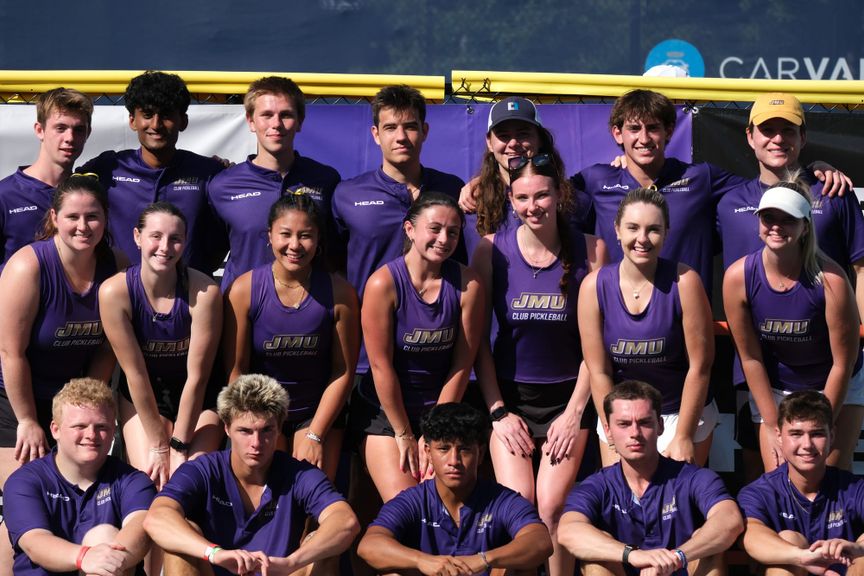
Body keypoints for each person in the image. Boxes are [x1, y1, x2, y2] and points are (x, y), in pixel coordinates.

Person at [716, 93, 864, 480]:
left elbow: (861, 269)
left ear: (803, 136)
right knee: (770, 478)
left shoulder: (833, 193)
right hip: (767, 372)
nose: (777, 139)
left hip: (833, 364)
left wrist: (856, 333)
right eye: (768, 130)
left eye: (787, 130)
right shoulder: (727, 197)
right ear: (749, 137)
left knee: (831, 478)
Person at [571, 88, 849, 294]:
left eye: (653, 128)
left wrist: (814, 170)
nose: (644, 138)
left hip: (685, 321)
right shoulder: (596, 180)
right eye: (634, 129)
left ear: (669, 131)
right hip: (616, 319)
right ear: (617, 134)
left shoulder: (700, 177)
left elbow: (768, 185)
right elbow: (547, 194)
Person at [471, 154, 606, 576]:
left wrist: (574, 414)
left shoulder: (590, 249)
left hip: (569, 400)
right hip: (511, 401)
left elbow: (596, 344)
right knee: (517, 508)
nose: (534, 206)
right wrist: (497, 412)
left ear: (559, 194)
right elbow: (477, 344)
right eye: (523, 197)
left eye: (543, 194)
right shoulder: (490, 249)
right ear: (510, 200)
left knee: (550, 507)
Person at [0, 174, 121, 575]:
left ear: (106, 219)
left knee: (83, 510)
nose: (83, 226)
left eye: (93, 216)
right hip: (17, 400)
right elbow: (10, 352)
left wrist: (89, 406)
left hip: (75, 401)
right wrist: (28, 421)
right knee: (21, 510)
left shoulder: (116, 266)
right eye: (72, 216)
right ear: (54, 217)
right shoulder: (27, 266)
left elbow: (107, 347)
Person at [143, 373, 360, 576]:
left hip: (277, 571)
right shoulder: (203, 469)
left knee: (323, 545)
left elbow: (346, 522)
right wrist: (215, 553)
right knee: (182, 537)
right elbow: (156, 518)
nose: (256, 443)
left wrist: (292, 562)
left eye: (266, 430)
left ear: (279, 428)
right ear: (226, 428)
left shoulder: (299, 474)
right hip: (216, 568)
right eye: (245, 431)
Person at [351, 192, 483, 501]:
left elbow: (462, 365)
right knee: (410, 505)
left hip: (441, 409)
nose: (443, 238)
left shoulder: (469, 285)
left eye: (453, 231)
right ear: (410, 230)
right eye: (434, 228)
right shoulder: (382, 284)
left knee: (441, 500)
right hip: (386, 413)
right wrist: (404, 434)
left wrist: (434, 434)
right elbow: (381, 366)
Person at [331, 85, 466, 377]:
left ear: (425, 131)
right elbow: (332, 267)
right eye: (390, 127)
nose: (401, 137)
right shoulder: (346, 194)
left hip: (437, 354)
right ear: (376, 134)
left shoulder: (453, 189)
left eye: (410, 127)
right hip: (365, 358)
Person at [224, 193, 359, 480]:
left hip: (316, 412)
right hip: (260, 411)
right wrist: (256, 425)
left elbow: (343, 371)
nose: (295, 245)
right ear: (270, 236)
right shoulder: (244, 290)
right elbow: (237, 370)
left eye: (306, 235)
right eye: (285, 234)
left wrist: (315, 434)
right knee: (268, 489)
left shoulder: (340, 293)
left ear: (319, 239)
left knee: (310, 487)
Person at [578, 187, 715, 466]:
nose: (642, 239)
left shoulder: (686, 281)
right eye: (632, 228)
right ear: (617, 230)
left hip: (680, 414)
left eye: (653, 229)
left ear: (666, 233)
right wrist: (613, 430)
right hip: (622, 417)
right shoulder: (594, 286)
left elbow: (700, 367)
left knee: (676, 506)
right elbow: (599, 371)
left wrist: (684, 435)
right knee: (624, 506)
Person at [558, 380, 743, 576]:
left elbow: (729, 520)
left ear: (660, 426)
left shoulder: (693, 477)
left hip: (679, 569)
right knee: (596, 557)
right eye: (624, 424)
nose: (635, 433)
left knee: (709, 549)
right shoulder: (597, 485)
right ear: (608, 432)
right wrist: (633, 555)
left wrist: (677, 557)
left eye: (645, 422)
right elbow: (568, 530)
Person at [99, 202, 223, 491]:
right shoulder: (114, 292)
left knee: (189, 481)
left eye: (175, 239)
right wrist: (158, 444)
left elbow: (198, 376)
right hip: (144, 392)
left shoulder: (204, 292)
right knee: (150, 479)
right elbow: (135, 374)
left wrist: (178, 444)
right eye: (155, 236)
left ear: (185, 242)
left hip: (197, 397)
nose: (164, 247)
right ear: (137, 237)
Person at [358, 402, 553, 576]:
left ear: (481, 452)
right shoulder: (414, 500)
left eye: (464, 449)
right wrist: (421, 560)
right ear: (428, 452)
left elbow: (541, 542)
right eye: (444, 449)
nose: (454, 461)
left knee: (524, 568)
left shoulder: (501, 499)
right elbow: (369, 545)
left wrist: (484, 559)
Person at [3, 378, 155, 576]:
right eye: (80, 426)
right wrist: (84, 557)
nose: (91, 435)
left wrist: (104, 560)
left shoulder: (133, 480)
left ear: (113, 432)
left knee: (105, 536)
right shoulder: (25, 481)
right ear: (55, 430)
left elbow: (139, 528)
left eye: (101, 427)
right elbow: (35, 542)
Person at [79, 71, 226, 274]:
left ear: (183, 121)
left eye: (166, 116)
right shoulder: (107, 167)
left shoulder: (209, 173)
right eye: (147, 115)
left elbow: (223, 239)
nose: (156, 125)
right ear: (132, 120)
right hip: (120, 295)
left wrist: (194, 274)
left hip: (188, 299)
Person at [207, 76, 341, 288]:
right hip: (243, 311)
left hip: (310, 307)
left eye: (286, 115)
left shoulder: (326, 180)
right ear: (251, 121)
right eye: (267, 115)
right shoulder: (222, 186)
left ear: (300, 121)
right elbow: (208, 256)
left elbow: (336, 253)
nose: (276, 124)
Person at [739, 390, 864, 575]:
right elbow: (751, 534)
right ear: (779, 436)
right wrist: (802, 556)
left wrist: (856, 548)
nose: (807, 445)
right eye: (796, 434)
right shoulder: (760, 491)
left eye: (817, 434)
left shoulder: (854, 488)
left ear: (832, 435)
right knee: (789, 541)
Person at [0, 88, 92, 263]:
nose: (70, 138)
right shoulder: (5, 195)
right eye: (60, 128)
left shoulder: (91, 193)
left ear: (88, 133)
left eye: (79, 129)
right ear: (39, 130)